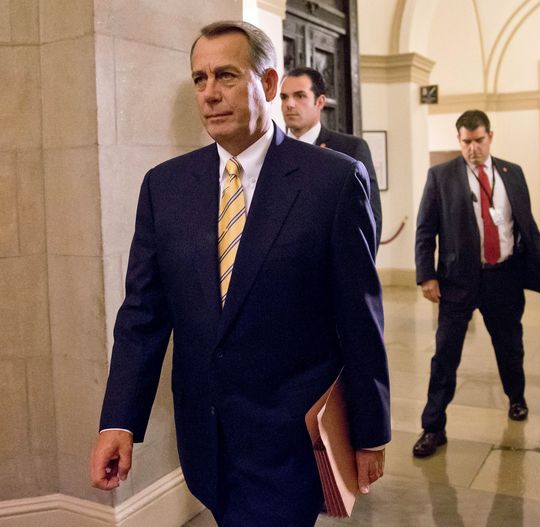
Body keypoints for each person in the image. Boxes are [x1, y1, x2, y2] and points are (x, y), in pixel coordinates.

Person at [89, 21, 390, 526]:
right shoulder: (166, 187)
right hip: (206, 438)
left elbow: (360, 317)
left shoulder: (331, 181)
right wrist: (118, 420)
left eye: (226, 76)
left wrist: (369, 432)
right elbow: (142, 315)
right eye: (200, 79)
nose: (208, 94)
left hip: (292, 439)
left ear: (268, 85)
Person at [412, 109, 540, 458]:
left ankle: (517, 398)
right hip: (457, 280)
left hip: (503, 277)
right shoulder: (441, 176)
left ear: (490, 137)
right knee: (445, 355)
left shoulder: (512, 173)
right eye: (466, 142)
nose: (473, 148)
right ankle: (433, 427)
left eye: (479, 140)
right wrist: (426, 275)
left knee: (510, 346)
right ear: (458, 140)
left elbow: (527, 225)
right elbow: (424, 230)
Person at [280, 66, 383, 248]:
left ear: (320, 102)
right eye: (284, 97)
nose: (289, 104)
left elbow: (369, 219)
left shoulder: (349, 149)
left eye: (300, 96)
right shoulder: (273, 152)